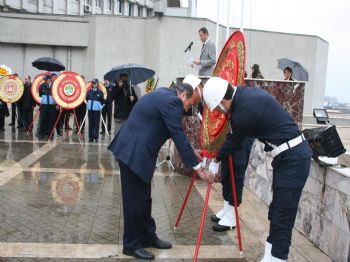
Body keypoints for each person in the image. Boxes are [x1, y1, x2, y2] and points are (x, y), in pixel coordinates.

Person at [203, 77, 312, 262]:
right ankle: (269, 256)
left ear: (222, 101)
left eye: (219, 107)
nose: (221, 111)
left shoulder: (243, 111)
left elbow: (233, 141)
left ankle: (278, 258)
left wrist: (215, 162)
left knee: (283, 215)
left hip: (293, 159)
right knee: (276, 210)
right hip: (287, 157)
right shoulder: (246, 95)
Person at [108, 83, 212, 260]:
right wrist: (198, 168)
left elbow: (167, 127)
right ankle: (131, 245)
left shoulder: (166, 94)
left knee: (144, 198)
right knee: (134, 201)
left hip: (136, 150)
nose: (187, 109)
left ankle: (148, 235)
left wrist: (190, 151)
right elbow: (177, 133)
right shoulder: (173, 102)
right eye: (188, 104)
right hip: (133, 152)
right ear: (183, 95)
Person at [183, 75, 254, 232]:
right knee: (227, 175)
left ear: (196, 89)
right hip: (227, 138)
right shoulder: (202, 101)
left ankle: (232, 216)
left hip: (239, 138)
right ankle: (227, 209)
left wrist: (214, 159)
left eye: (190, 94)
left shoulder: (213, 93)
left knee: (236, 173)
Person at [37, 74, 56, 139]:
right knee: (43, 120)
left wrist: (57, 104)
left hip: (52, 106)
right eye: (44, 80)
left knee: (51, 120)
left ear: (49, 79)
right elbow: (40, 95)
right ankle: (41, 134)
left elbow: (56, 96)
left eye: (46, 80)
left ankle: (50, 134)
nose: (45, 81)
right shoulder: (41, 86)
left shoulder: (54, 86)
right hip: (44, 106)